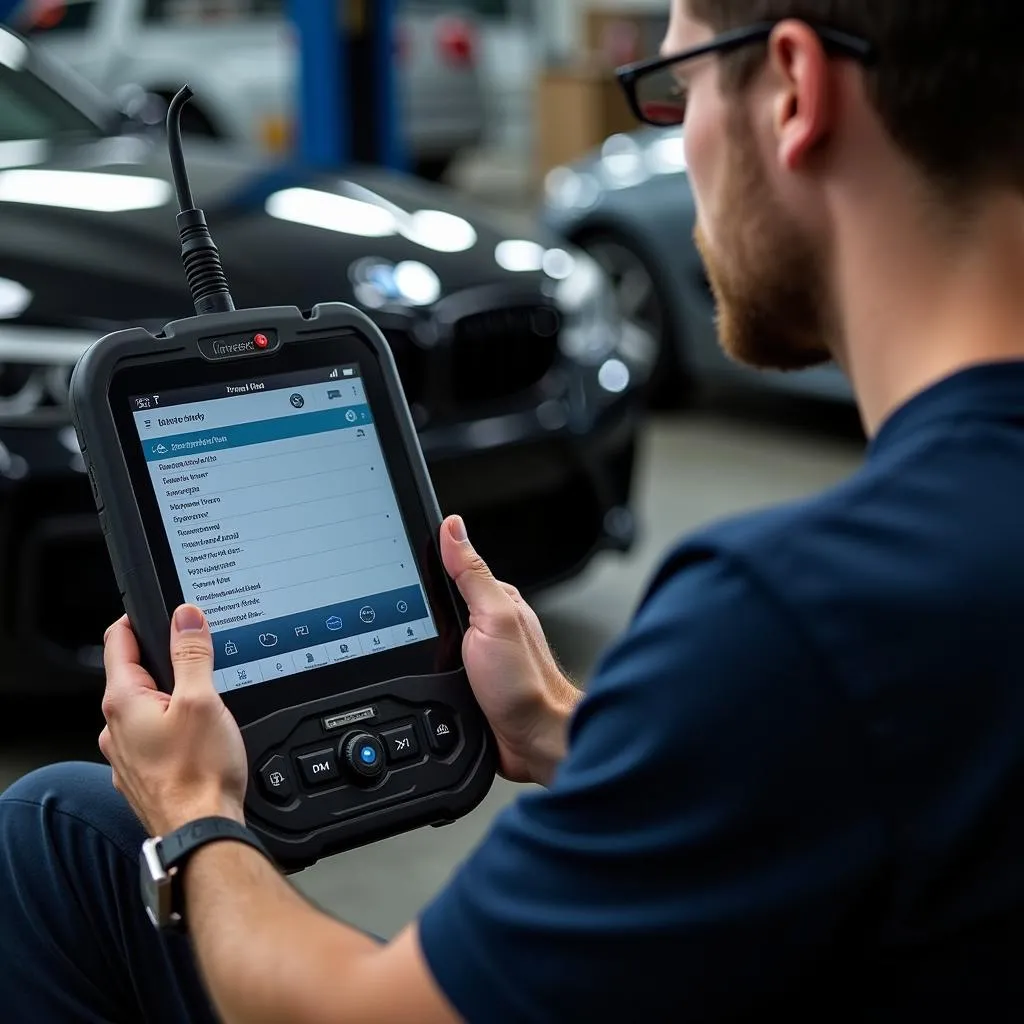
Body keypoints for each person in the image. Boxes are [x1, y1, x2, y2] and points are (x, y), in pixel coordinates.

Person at [4, 0, 1024, 1019]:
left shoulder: (796, 614)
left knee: (52, 835)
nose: (679, 132)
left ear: (793, 92)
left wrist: (191, 818)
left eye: (679, 87)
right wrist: (564, 731)